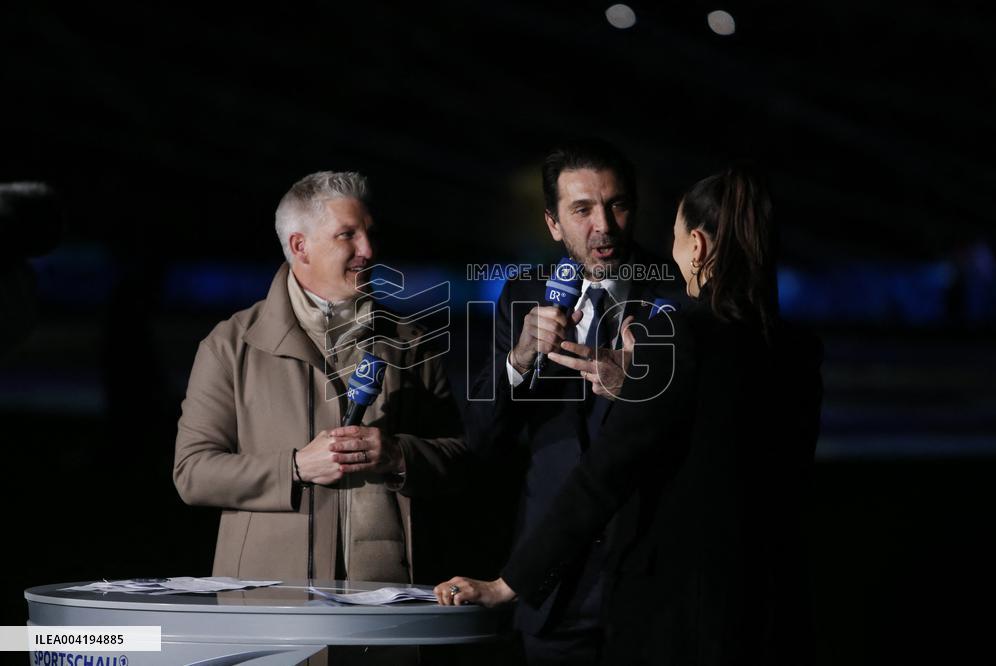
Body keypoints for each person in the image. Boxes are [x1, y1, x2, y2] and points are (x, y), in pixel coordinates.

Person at [438, 166, 823, 665]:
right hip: (773, 608)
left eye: (679, 236)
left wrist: (506, 585)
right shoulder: (797, 348)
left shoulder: (676, 334)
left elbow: (605, 474)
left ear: (699, 248)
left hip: (680, 614)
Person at [174, 171, 466, 587]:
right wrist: (294, 467)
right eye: (347, 235)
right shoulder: (230, 345)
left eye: (368, 233)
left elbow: (459, 459)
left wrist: (399, 455)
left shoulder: (409, 342)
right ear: (300, 247)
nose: (368, 249)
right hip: (269, 600)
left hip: (389, 601)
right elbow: (192, 472)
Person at [465, 138, 681, 665]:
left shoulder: (679, 289)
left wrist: (640, 386)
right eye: (582, 209)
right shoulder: (521, 295)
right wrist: (517, 359)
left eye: (617, 205)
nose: (603, 226)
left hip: (656, 577)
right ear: (553, 223)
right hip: (550, 585)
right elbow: (481, 437)